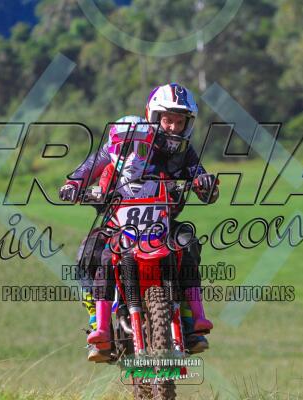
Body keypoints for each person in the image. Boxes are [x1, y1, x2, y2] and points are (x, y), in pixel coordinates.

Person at [59, 83, 219, 361]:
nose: (173, 127)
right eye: (167, 120)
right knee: (89, 251)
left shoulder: (185, 152)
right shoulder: (127, 139)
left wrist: (205, 184)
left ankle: (191, 320)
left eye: (179, 122)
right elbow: (93, 164)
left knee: (188, 243)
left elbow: (200, 178)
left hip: (161, 224)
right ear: (153, 117)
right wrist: (74, 184)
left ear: (188, 124)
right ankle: (98, 323)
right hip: (119, 224)